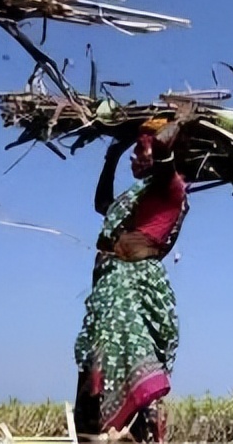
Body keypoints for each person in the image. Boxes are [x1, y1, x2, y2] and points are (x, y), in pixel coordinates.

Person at [73, 118, 189, 442]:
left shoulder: (171, 186)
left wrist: (181, 119)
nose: (133, 156)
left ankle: (140, 433)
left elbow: (165, 145)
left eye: (140, 148)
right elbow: (102, 205)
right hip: (110, 292)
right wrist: (112, 155)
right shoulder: (138, 194)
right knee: (96, 376)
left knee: (132, 371)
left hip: (132, 294)